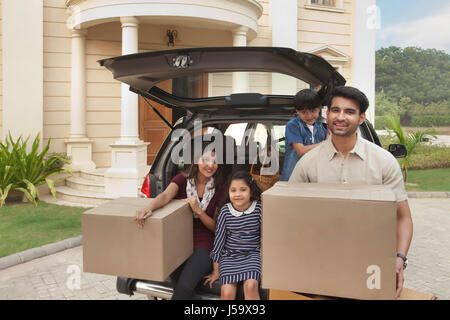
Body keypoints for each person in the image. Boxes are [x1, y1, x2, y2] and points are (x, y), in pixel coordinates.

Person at [289, 86, 413, 298]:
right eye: (335, 110)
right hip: (321, 262)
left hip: (371, 263)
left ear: (361, 117)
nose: (340, 117)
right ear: (327, 114)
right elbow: (289, 216)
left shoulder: (384, 162)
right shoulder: (307, 164)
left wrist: (399, 259)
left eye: (349, 111)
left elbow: (403, 217)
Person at [135, 135, 226, 300]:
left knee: (184, 287)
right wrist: (148, 208)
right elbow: (165, 196)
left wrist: (198, 211)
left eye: (215, 161)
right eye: (205, 159)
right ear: (195, 159)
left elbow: (215, 228)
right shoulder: (182, 180)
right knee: (181, 288)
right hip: (179, 240)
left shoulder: (220, 187)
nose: (210, 165)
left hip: (205, 242)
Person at [204, 171, 262, 300]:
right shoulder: (225, 211)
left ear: (251, 191)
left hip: (252, 256)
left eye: (243, 190)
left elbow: (265, 237)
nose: (238, 194)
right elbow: (219, 241)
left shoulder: (258, 208)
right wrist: (216, 271)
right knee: (227, 293)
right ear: (228, 192)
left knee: (251, 286)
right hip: (230, 257)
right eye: (233, 190)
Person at [280, 88, 329, 181]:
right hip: (292, 178)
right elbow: (301, 150)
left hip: (314, 178)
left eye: (313, 111)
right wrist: (324, 143)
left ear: (319, 108)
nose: (309, 116)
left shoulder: (321, 127)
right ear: (297, 111)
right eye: (304, 112)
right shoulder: (293, 125)